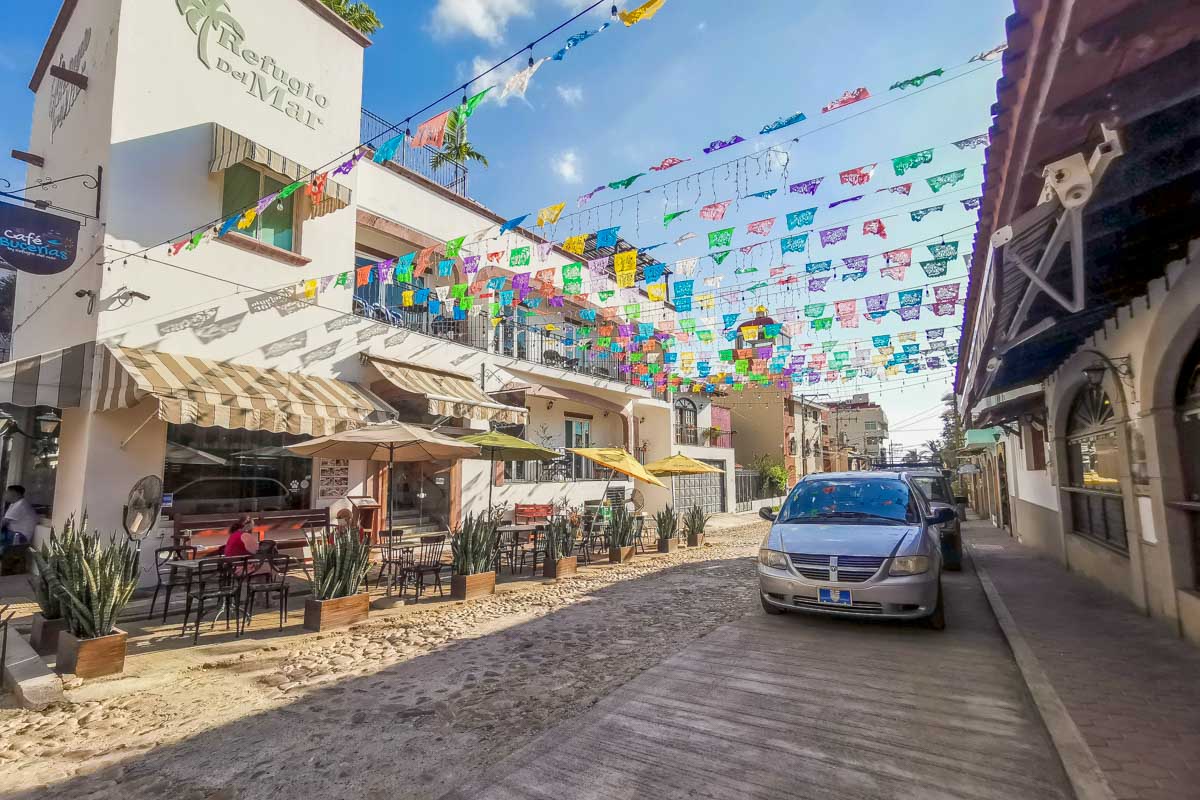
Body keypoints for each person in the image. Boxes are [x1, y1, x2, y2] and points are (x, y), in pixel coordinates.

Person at [1, 485, 38, 551]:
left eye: (7, 492)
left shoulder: (20, 505)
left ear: (15, 494)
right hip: (12, 533)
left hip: (20, 536)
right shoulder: (15, 503)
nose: (5, 494)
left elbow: (3, 522)